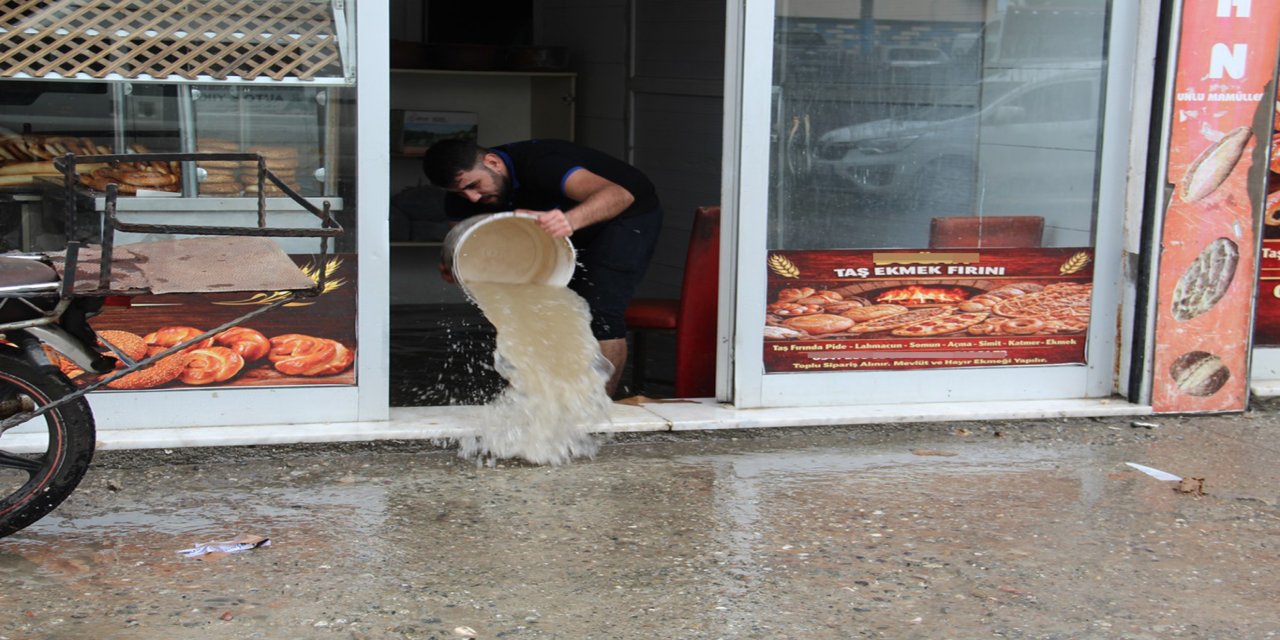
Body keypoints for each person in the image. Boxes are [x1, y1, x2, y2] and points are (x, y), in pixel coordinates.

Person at [422, 138, 663, 397]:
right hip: (556, 228)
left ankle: (598, 408)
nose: (472, 197)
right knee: (534, 308)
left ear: (492, 162)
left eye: (474, 185)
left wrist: (569, 221)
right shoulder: (464, 199)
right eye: (460, 192)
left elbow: (620, 195)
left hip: (623, 215)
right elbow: (471, 248)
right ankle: (541, 401)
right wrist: (456, 264)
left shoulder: (542, 163)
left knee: (601, 313)